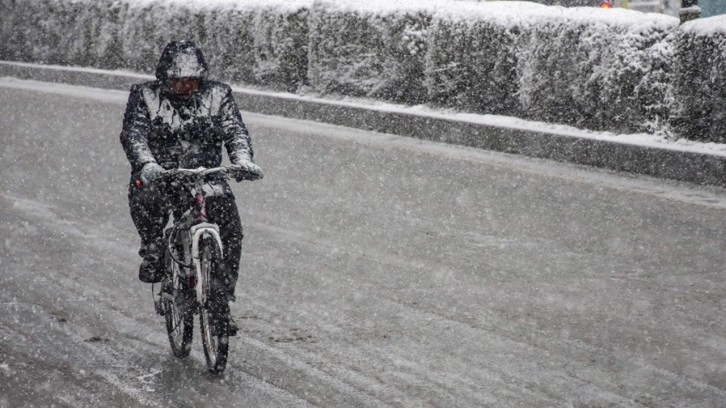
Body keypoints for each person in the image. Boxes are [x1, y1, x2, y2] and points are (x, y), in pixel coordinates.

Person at [120, 40, 262, 334]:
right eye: (178, 80)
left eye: (192, 80)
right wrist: (149, 166)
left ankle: (221, 299)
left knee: (231, 230)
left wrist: (242, 160)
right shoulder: (145, 96)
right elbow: (135, 135)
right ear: (164, 77)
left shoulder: (219, 95)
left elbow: (235, 131)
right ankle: (153, 249)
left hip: (206, 176)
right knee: (145, 195)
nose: (185, 86)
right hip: (163, 175)